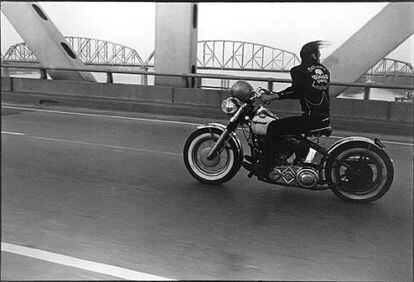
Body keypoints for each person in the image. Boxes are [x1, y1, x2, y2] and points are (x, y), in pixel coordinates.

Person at [253, 40, 331, 179]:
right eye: (318, 53)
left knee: (273, 127)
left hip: (311, 119)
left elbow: (297, 90)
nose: (319, 56)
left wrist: (273, 97)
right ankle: (299, 156)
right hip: (323, 117)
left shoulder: (299, 71)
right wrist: (276, 96)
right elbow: (305, 91)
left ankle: (266, 167)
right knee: (290, 132)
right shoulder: (324, 71)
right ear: (313, 55)